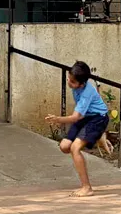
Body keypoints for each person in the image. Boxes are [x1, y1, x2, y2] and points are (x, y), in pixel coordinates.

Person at [44, 61, 108, 197]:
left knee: (75, 148)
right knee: (64, 146)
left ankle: (87, 187)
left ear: (82, 84)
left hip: (98, 118)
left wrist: (57, 119)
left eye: (72, 82)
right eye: (69, 78)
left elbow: (75, 117)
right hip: (85, 117)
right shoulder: (76, 85)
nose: (69, 82)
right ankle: (99, 136)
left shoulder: (87, 92)